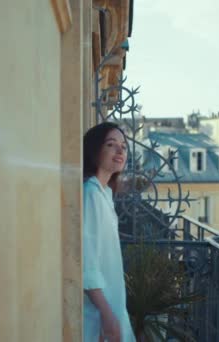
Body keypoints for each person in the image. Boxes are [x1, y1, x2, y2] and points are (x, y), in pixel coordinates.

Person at [83, 122, 135, 342]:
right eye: (111, 144)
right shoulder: (91, 194)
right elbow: (87, 261)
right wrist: (106, 314)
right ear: (95, 151)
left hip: (112, 306)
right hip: (99, 315)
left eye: (123, 146)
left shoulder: (104, 193)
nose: (120, 150)